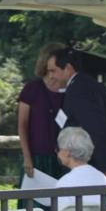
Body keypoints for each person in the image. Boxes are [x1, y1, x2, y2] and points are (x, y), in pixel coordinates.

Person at [45, 48, 106, 181]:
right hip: (91, 167)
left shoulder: (80, 90)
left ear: (68, 68)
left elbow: (96, 127)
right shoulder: (82, 85)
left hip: (95, 168)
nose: (50, 76)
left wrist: (105, 167)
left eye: (53, 71)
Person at [18, 43, 67, 184]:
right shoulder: (31, 89)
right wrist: (27, 157)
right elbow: (22, 125)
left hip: (65, 158)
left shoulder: (71, 89)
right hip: (37, 158)